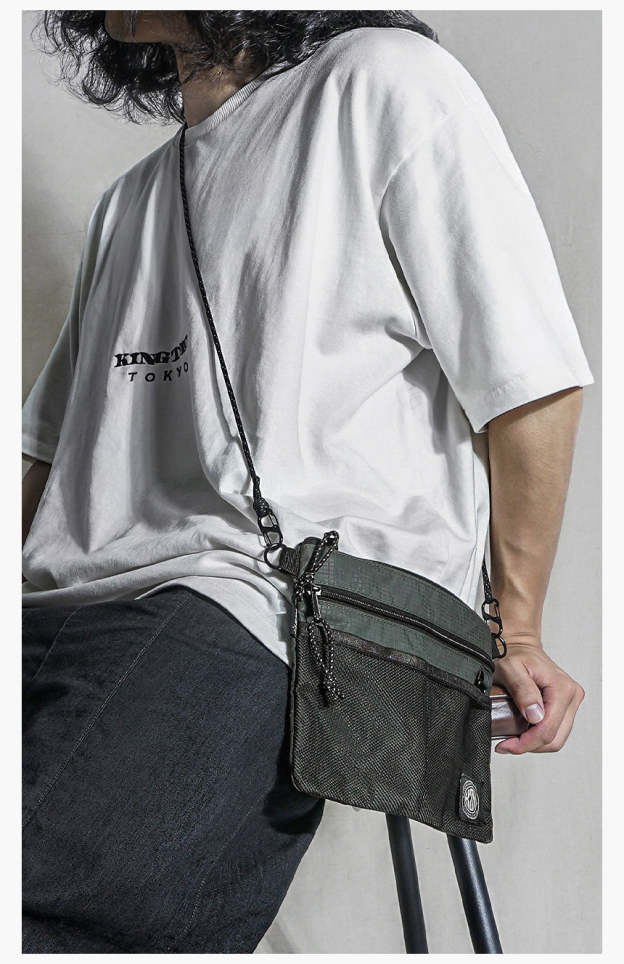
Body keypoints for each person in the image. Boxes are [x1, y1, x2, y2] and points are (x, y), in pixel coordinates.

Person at [22, 10, 594, 954]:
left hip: (262, 603)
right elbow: (45, 454)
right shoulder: (129, 200)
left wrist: (517, 628)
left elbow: (528, 378)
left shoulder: (380, 81)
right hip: (60, 611)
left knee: (42, 889)